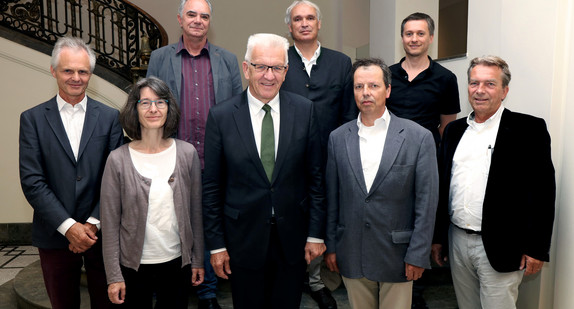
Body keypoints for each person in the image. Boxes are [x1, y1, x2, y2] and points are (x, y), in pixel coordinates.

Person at [203, 33, 326, 309]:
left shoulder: (305, 111)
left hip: (292, 240)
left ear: (286, 71)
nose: (268, 76)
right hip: (242, 240)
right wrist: (217, 245)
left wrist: (316, 234)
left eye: (277, 67)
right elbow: (212, 186)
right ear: (246, 68)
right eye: (261, 66)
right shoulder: (221, 116)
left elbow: (316, 178)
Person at [432, 56, 556, 309]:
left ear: (504, 91)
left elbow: (543, 193)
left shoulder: (528, 129)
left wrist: (537, 249)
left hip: (504, 245)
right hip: (457, 240)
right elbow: (444, 187)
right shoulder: (454, 131)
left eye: (489, 84)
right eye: (474, 83)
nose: (480, 90)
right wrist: (438, 238)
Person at [146, 1, 242, 307]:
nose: (198, 20)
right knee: (171, 223)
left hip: (217, 160)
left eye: (204, 15)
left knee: (209, 223)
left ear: (209, 21)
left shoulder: (227, 60)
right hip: (172, 158)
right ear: (180, 19)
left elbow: (239, 110)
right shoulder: (160, 58)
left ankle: (207, 292)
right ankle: (171, 287)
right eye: (192, 14)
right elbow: (148, 103)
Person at [324, 58, 439, 309]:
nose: (365, 93)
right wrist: (331, 247)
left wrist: (419, 254)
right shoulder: (337, 138)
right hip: (352, 251)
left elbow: (426, 202)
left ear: (387, 90)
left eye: (374, 86)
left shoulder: (418, 137)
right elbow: (333, 198)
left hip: (398, 255)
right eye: (358, 86)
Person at [19, 36, 123, 309]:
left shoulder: (111, 117)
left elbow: (115, 178)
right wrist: (69, 228)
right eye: (68, 70)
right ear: (53, 71)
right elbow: (32, 181)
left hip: (102, 235)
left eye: (83, 71)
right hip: (54, 235)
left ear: (91, 74)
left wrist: (91, 224)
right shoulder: (32, 119)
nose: (76, 77)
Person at [100, 77, 204, 308]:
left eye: (160, 102)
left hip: (177, 264)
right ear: (134, 109)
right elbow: (109, 225)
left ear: (169, 107)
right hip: (133, 267)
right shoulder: (117, 159)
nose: (153, 109)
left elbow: (195, 213)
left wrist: (197, 259)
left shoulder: (187, 154)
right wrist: (114, 276)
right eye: (145, 103)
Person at [281, 3, 356, 305]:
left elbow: (349, 114)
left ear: (319, 24)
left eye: (309, 18)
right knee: (289, 217)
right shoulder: (279, 60)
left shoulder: (341, 62)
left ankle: (314, 280)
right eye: (297, 19)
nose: (304, 23)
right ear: (290, 26)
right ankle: (291, 275)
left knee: (322, 216)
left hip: (329, 156)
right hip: (286, 158)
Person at [386, 12, 460, 148]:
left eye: (420, 34)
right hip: (388, 150)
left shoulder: (446, 78)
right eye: (409, 34)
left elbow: (446, 127)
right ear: (402, 38)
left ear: (431, 38)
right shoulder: (386, 75)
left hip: (426, 153)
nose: (414, 39)